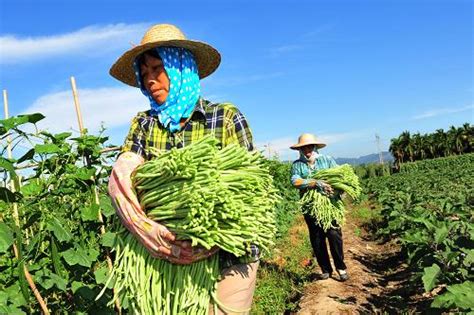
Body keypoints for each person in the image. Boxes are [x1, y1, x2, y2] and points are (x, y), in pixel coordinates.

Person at [107, 23, 258, 313]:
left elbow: (249, 197)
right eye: (144, 73)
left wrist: (211, 239)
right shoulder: (144, 125)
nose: (149, 80)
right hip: (162, 255)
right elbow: (127, 180)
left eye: (157, 68)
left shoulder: (224, 118)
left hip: (230, 255)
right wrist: (143, 220)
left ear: (179, 66)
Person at [289, 133, 348, 281]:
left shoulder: (327, 161)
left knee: (334, 235)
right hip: (310, 207)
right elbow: (295, 181)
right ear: (300, 150)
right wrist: (315, 182)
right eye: (303, 148)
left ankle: (340, 267)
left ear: (314, 146)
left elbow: (340, 177)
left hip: (330, 205)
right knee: (317, 238)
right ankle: (325, 269)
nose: (307, 150)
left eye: (309, 146)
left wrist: (336, 189)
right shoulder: (297, 165)